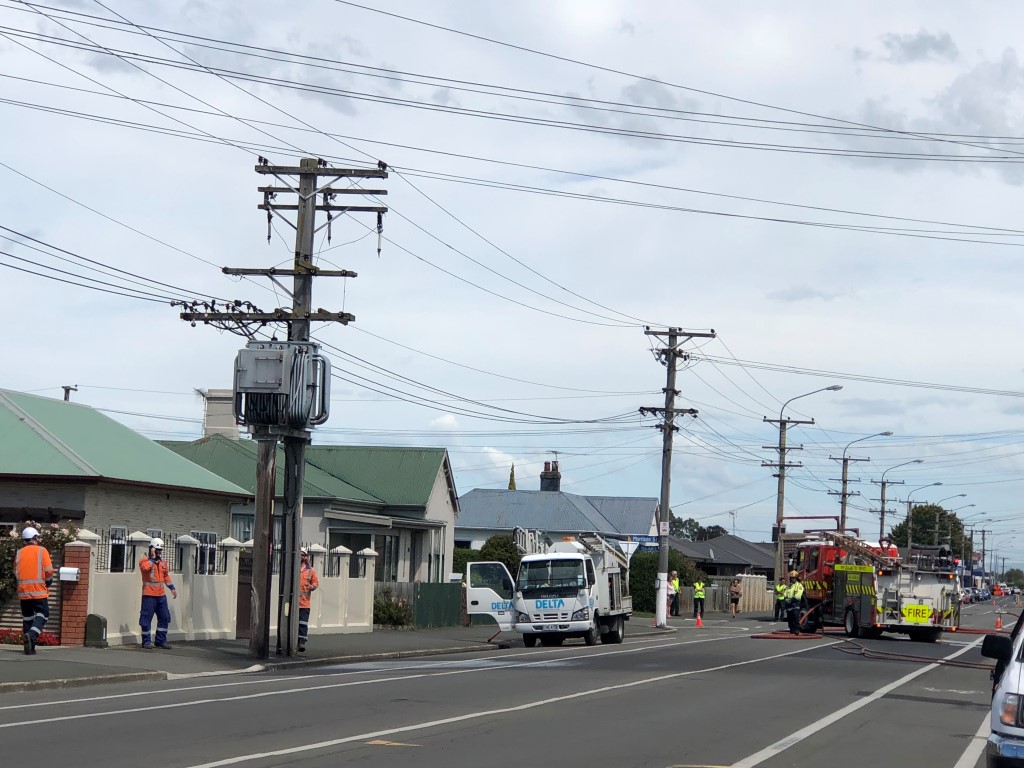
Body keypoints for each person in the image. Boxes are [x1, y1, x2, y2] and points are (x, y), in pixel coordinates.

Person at [15, 527, 54, 656]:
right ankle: (31, 635)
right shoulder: (42, 551)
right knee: (43, 613)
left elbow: (16, 572)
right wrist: (48, 581)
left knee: (28, 617)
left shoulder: (19, 552)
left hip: (23, 592)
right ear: (35, 538)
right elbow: (48, 570)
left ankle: (30, 648)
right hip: (38, 591)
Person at [139, 537, 176, 649]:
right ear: (152, 549)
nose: (159, 552)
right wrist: (152, 558)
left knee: (164, 617)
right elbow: (145, 569)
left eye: (160, 550)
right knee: (146, 619)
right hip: (149, 595)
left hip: (161, 596)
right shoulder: (144, 561)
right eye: (157, 550)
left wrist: (172, 588)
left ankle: (161, 640)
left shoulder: (162, 563)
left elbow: (166, 576)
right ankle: (146, 642)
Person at [298, 548, 320, 652]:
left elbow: (315, 583)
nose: (301, 556)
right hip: (293, 603)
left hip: (304, 602)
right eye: (300, 554)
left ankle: (302, 641)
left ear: (306, 557)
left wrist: (312, 587)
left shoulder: (311, 570)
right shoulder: (293, 568)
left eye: (303, 555)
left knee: (303, 623)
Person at [785, 570, 805, 635]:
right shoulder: (789, 586)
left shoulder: (799, 586)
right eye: (792, 578)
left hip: (795, 603)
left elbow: (798, 595)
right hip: (788, 604)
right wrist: (785, 599)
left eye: (794, 578)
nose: (793, 579)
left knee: (795, 617)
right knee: (789, 618)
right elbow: (785, 593)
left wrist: (791, 600)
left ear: (796, 578)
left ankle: (797, 630)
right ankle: (791, 630)